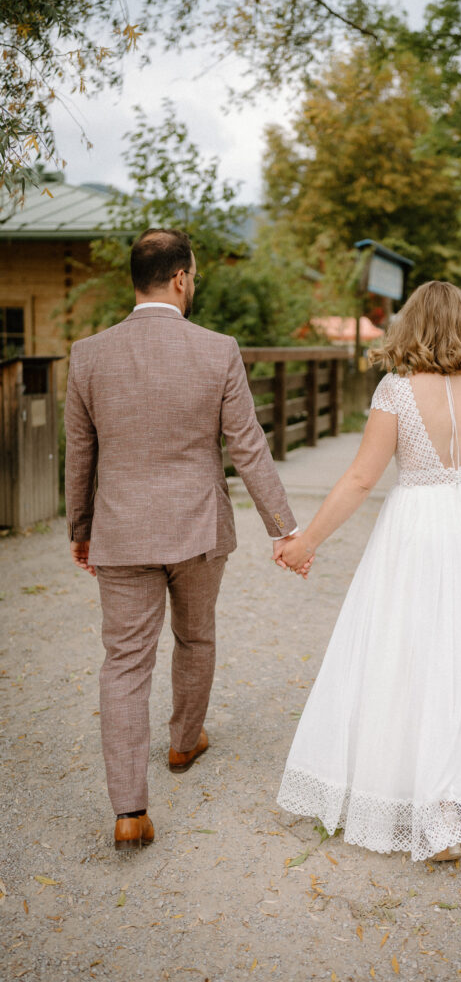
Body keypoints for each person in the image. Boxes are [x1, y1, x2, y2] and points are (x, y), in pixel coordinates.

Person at [276, 281, 461, 862]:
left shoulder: (397, 392)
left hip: (418, 529)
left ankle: (432, 809)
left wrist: (306, 541)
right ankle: (453, 806)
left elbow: (361, 479)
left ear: (411, 326)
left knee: (414, 651)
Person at [65, 228, 299, 851]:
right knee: (195, 635)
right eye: (193, 275)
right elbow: (247, 445)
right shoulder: (218, 350)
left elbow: (80, 455)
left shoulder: (88, 355)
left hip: (121, 531)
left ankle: (128, 811)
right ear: (180, 279)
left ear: (132, 280)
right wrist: (285, 528)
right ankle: (181, 743)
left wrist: (80, 530)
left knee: (124, 664)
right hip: (198, 529)